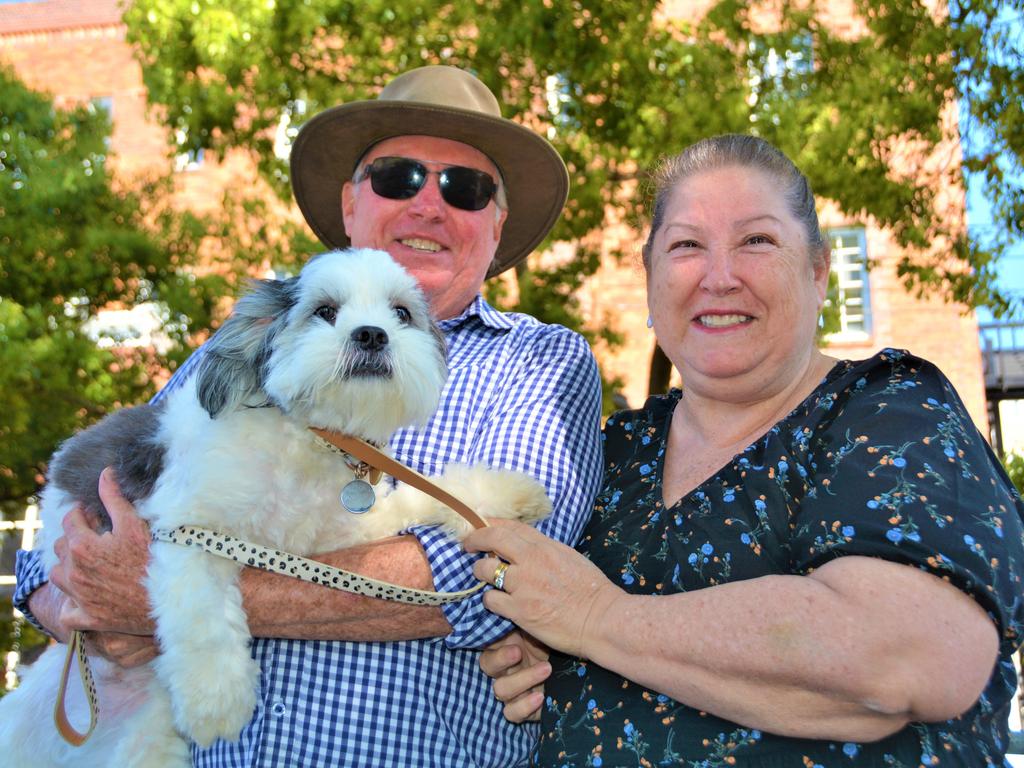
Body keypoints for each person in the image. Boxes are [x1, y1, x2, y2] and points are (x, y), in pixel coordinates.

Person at [14, 66, 604, 767]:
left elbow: (488, 576)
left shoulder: (540, 359)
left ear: (496, 224)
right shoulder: (244, 351)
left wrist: (169, 598)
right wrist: (70, 602)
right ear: (352, 205)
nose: (429, 204)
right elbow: (84, 528)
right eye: (397, 177)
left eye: (465, 188)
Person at [465, 134, 1024, 766]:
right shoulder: (609, 452)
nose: (720, 276)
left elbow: (911, 654)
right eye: (686, 246)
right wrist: (542, 653)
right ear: (649, 278)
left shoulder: (891, 409)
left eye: (756, 241)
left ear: (817, 274)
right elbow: (543, 607)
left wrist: (597, 620)